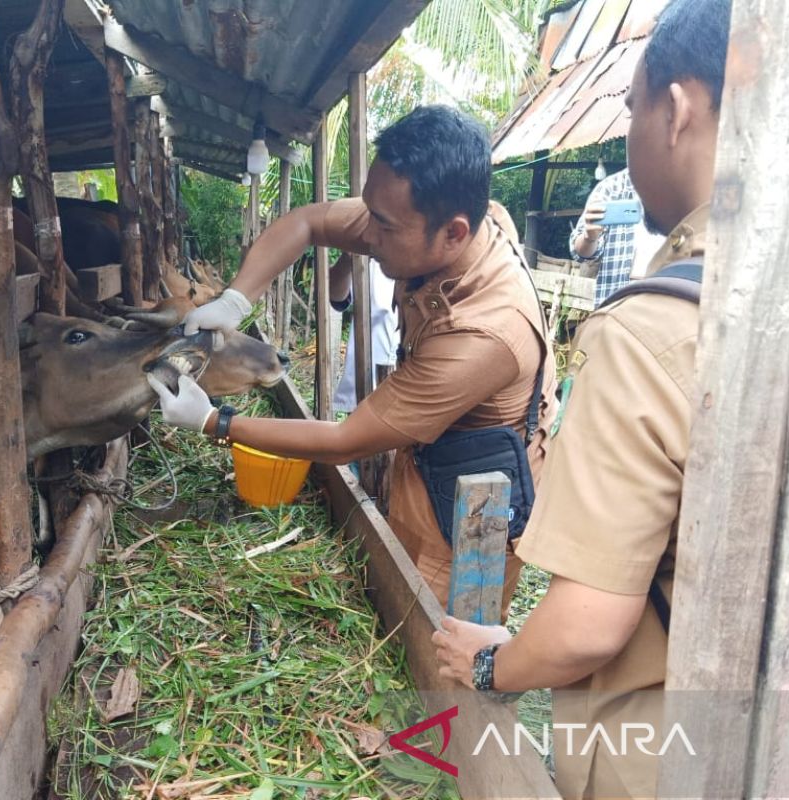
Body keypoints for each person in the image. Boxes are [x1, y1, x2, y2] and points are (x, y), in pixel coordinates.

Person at [431, 0, 729, 796]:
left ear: (678, 110)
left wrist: (491, 662)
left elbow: (590, 623)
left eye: (632, 109)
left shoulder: (650, 333)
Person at [149, 105, 557, 614]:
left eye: (383, 227)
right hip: (426, 454)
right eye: (370, 213)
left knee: (440, 643)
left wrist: (213, 420)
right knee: (393, 587)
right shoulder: (442, 220)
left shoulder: (484, 335)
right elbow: (307, 222)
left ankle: (456, 697)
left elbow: (343, 441)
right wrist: (236, 299)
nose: (367, 236)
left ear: (453, 233)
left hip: (473, 509)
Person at [570, 167, 667, 306]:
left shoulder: (685, 185)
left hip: (666, 297)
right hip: (617, 300)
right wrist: (589, 237)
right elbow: (579, 254)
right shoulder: (611, 187)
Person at [328, 254, 398, 415]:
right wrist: (347, 259)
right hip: (364, 383)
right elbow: (336, 298)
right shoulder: (370, 257)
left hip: (414, 388)